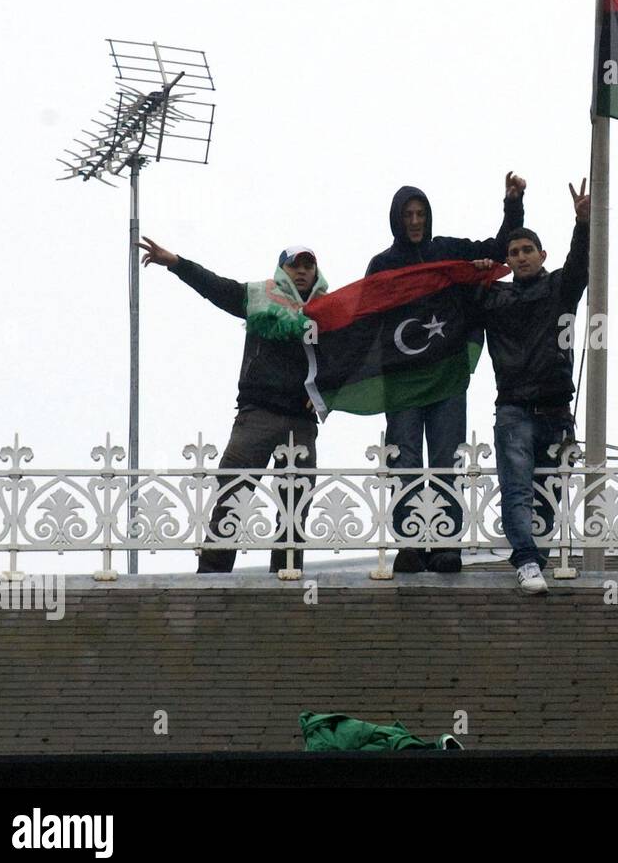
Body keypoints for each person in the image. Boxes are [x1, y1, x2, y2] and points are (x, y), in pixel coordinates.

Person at [366, 173, 527, 574]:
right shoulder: (382, 265)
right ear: (396, 220)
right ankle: (409, 544)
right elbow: (365, 320)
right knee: (404, 461)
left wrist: (512, 203)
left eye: (421, 213)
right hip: (402, 380)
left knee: (446, 460)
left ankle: (444, 544)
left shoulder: (448, 252)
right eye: (408, 215)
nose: (416, 221)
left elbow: (499, 250)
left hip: (446, 376)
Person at [138, 237, 327, 574]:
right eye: (294, 265)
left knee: (296, 506)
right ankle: (212, 575)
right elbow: (216, 287)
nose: (301, 271)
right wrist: (177, 263)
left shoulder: (330, 311)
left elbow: (349, 357)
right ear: (282, 269)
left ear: (315, 271)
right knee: (233, 495)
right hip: (257, 414)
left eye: (307, 265)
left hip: (301, 421)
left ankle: (287, 577)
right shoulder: (258, 296)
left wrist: (329, 396)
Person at [471, 180, 590, 595]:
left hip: (557, 410)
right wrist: (512, 204)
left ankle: (539, 554)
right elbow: (457, 292)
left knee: (548, 496)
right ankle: (525, 560)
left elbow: (582, 263)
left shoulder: (560, 288)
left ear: (543, 255)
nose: (520, 257)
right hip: (515, 409)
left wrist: (584, 223)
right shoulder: (492, 297)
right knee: (517, 489)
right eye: (513, 253)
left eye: (527, 251)